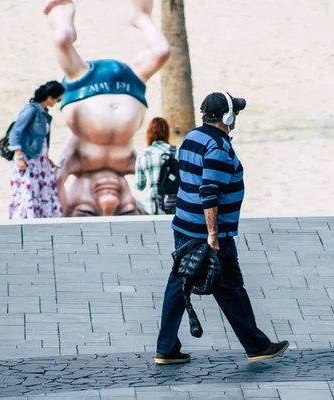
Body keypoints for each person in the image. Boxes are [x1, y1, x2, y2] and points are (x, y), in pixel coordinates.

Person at [155, 92, 289, 365]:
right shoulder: (218, 148)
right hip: (208, 234)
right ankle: (256, 345)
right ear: (227, 117)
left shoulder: (193, 137)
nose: (236, 116)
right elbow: (209, 192)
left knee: (180, 284)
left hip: (184, 226)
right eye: (235, 112)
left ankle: (166, 349)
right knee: (230, 288)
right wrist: (213, 235)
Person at [43, 0, 170, 216]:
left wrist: (60, 213)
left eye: (87, 210)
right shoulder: (126, 158)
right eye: (125, 210)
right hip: (129, 83)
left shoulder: (78, 156)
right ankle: (142, 17)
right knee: (162, 51)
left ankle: (64, 11)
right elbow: (155, 177)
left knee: (62, 39)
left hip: (83, 81)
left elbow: (56, 180)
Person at [8, 81, 65, 219]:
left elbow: (41, 139)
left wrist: (46, 158)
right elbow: (16, 132)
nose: (58, 102)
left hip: (40, 161)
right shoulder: (31, 110)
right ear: (50, 97)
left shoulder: (44, 113)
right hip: (28, 159)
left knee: (44, 193)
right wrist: (19, 156)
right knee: (29, 192)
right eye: (58, 99)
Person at [135, 117, 178, 215]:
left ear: (149, 133)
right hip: (174, 204)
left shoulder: (143, 155)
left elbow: (139, 185)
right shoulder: (176, 151)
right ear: (167, 132)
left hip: (152, 206)